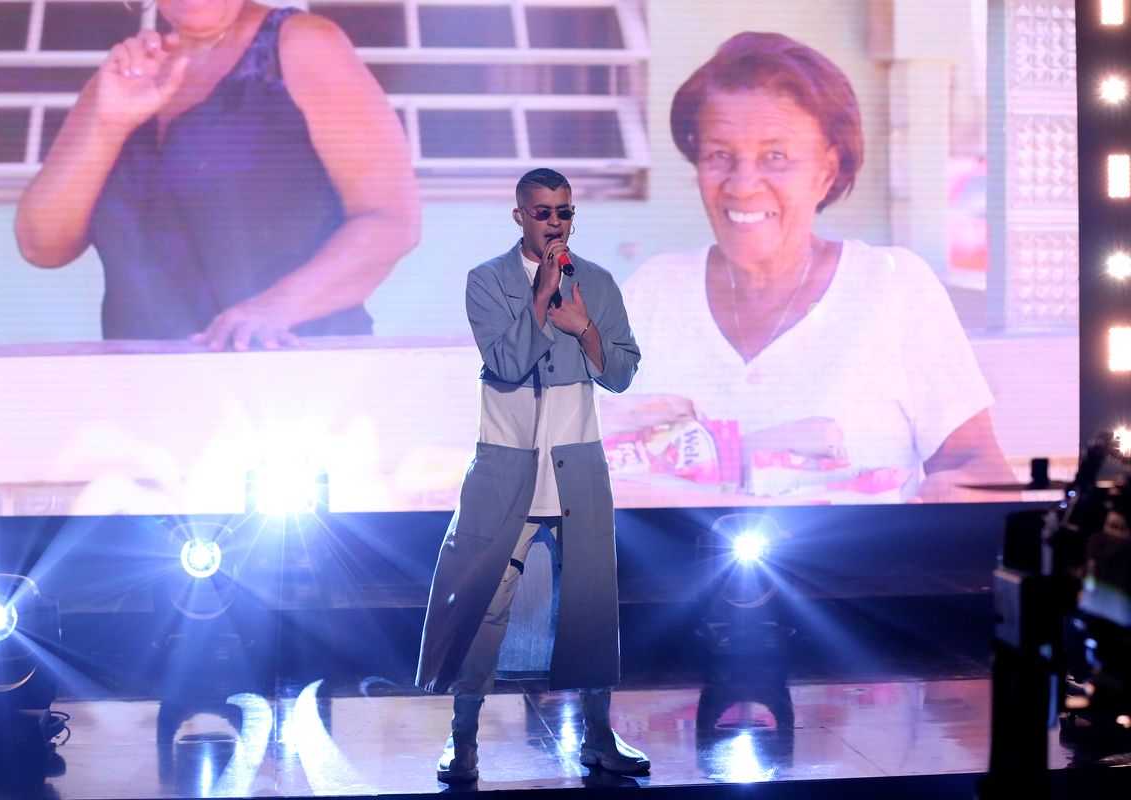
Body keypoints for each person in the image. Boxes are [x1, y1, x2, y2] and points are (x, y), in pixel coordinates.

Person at [613, 31, 1014, 502]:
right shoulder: (651, 294)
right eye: (720, 155)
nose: (742, 185)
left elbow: (980, 468)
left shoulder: (893, 289)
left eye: (775, 156)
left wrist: (948, 502)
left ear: (826, 171)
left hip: (861, 574)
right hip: (674, 575)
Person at [415, 168, 649, 783]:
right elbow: (509, 361)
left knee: (591, 606)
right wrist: (544, 298)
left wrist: (586, 327)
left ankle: (598, 736)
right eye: (543, 212)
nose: (555, 223)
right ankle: (463, 738)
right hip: (507, 467)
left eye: (564, 212)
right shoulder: (487, 281)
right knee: (482, 607)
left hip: (577, 468)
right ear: (519, 216)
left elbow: (621, 371)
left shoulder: (595, 283)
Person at [14, 0, 419, 350]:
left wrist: (273, 309)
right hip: (144, 397)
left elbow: (390, 220)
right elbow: (42, 245)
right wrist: (108, 127)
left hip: (297, 389)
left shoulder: (302, 45)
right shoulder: (126, 78)